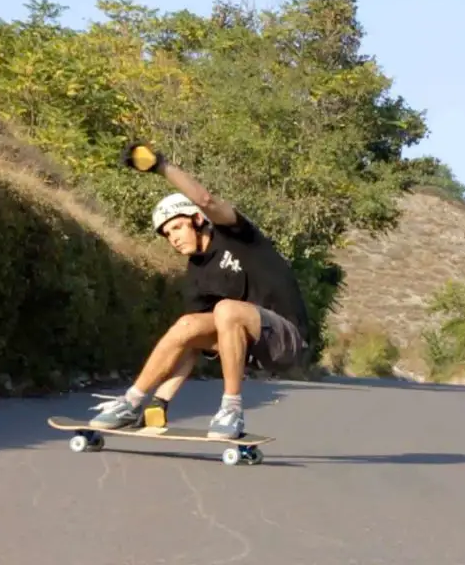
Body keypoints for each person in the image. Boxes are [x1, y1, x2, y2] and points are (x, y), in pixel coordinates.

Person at [87, 141, 310, 439]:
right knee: (187, 325)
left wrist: (161, 165)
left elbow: (205, 199)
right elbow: (191, 345)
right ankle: (131, 402)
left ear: (196, 220)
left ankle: (231, 409)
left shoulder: (238, 236)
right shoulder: (196, 276)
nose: (173, 239)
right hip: (246, 345)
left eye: (177, 227)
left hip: (286, 339)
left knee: (226, 309)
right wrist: (161, 400)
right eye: (167, 235)